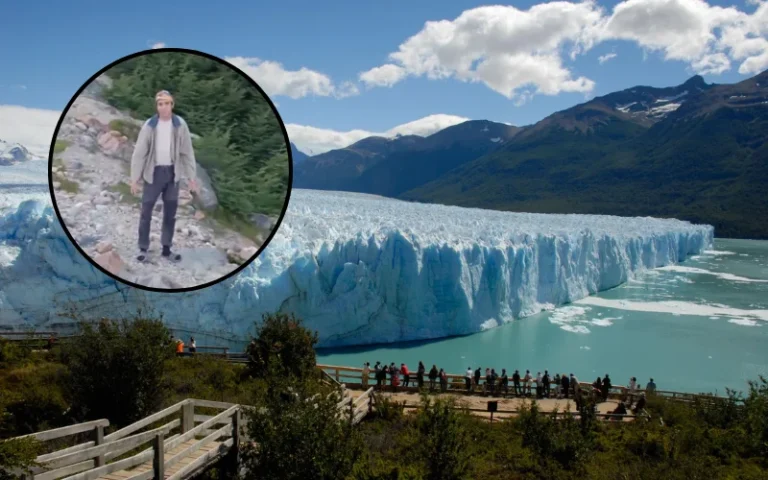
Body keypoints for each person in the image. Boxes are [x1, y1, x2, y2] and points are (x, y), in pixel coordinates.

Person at [130, 89, 199, 263]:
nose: (164, 107)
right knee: (146, 211)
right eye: (160, 104)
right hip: (153, 173)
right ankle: (143, 248)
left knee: (170, 213)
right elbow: (139, 153)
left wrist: (191, 178)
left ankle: (167, 249)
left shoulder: (180, 125)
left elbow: (187, 153)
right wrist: (135, 178)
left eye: (167, 103)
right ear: (157, 106)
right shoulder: (150, 125)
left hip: (172, 174)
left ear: (172, 105)